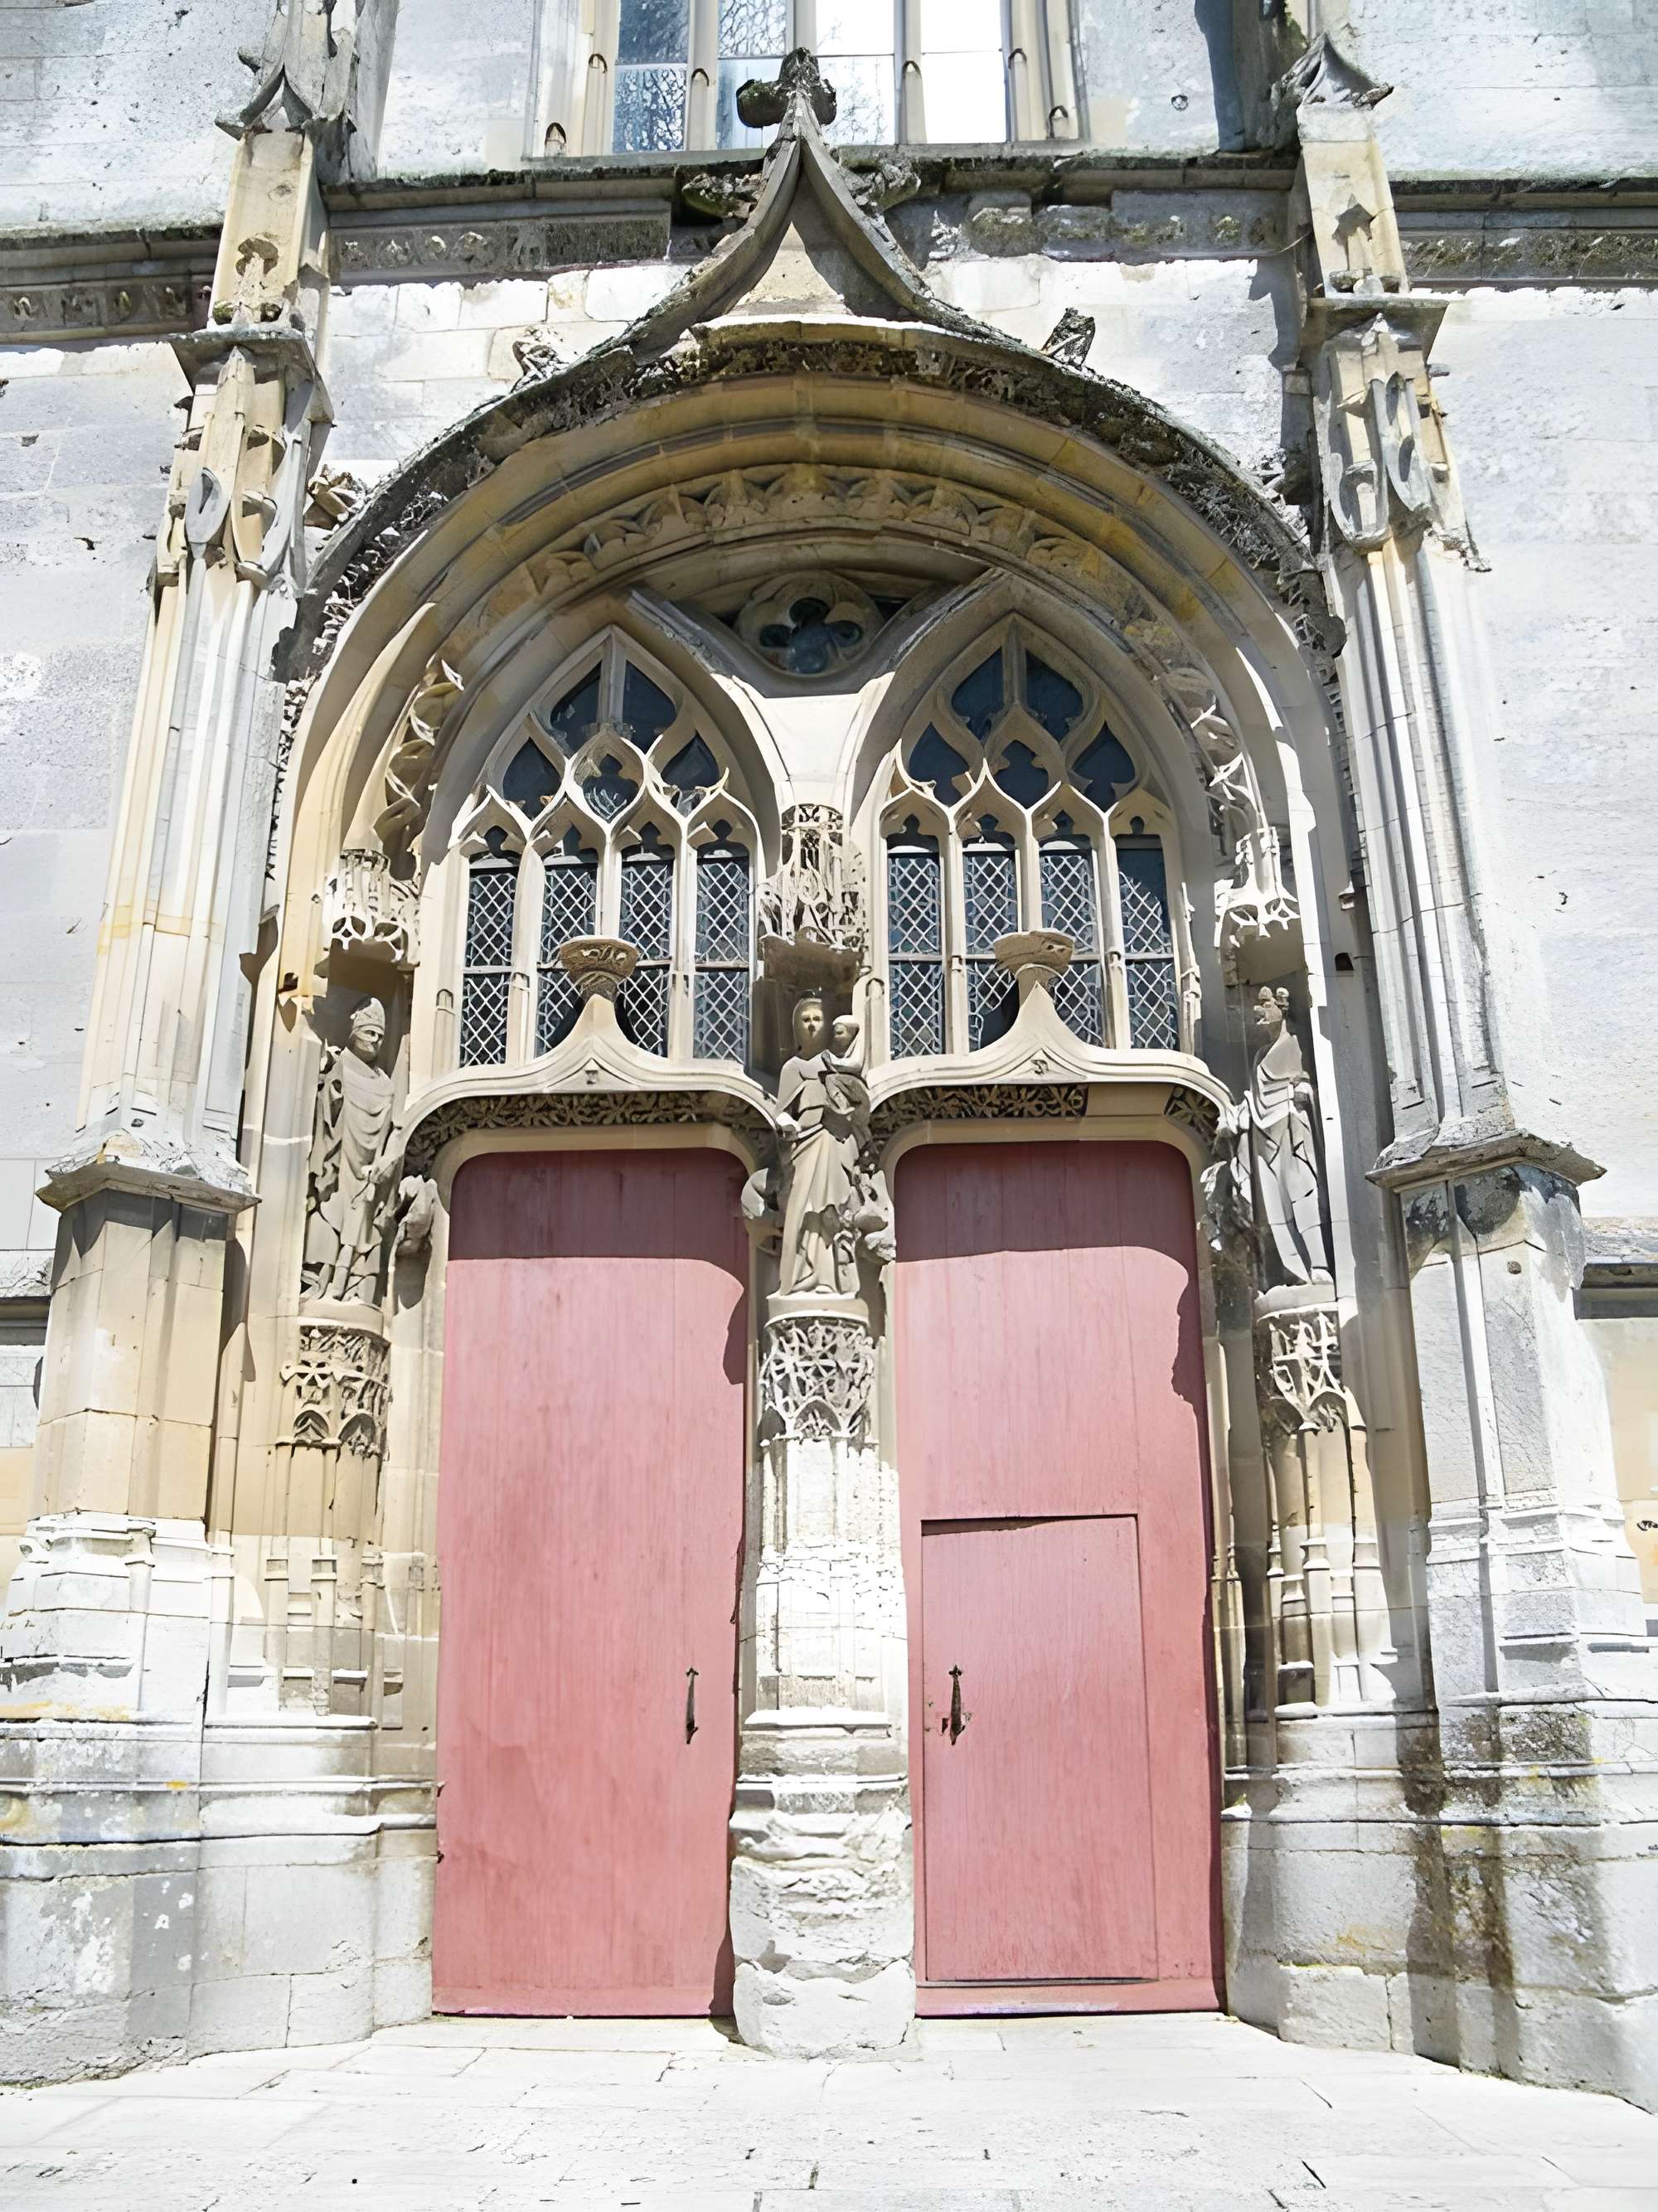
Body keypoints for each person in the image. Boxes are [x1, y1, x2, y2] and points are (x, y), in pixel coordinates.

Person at [303, 997, 400, 1302]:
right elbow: (326, 1111)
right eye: (370, 1032)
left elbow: (391, 1130)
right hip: (340, 1160)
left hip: (369, 1169)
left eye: (381, 1036)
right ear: (355, 1029)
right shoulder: (338, 1065)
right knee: (330, 1208)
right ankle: (321, 1278)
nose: (376, 1041)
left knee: (361, 1220)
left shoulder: (385, 1082)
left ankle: (352, 1284)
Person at [775, 997, 865, 1298]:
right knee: (802, 1209)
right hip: (804, 1142)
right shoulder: (793, 1067)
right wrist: (786, 1123)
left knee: (831, 1208)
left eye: (817, 1018)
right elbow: (783, 1111)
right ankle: (801, 1276)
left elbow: (856, 1096)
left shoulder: (834, 1063)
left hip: (832, 1139)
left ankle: (830, 1278)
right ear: (796, 1027)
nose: (812, 1025)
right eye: (805, 1019)